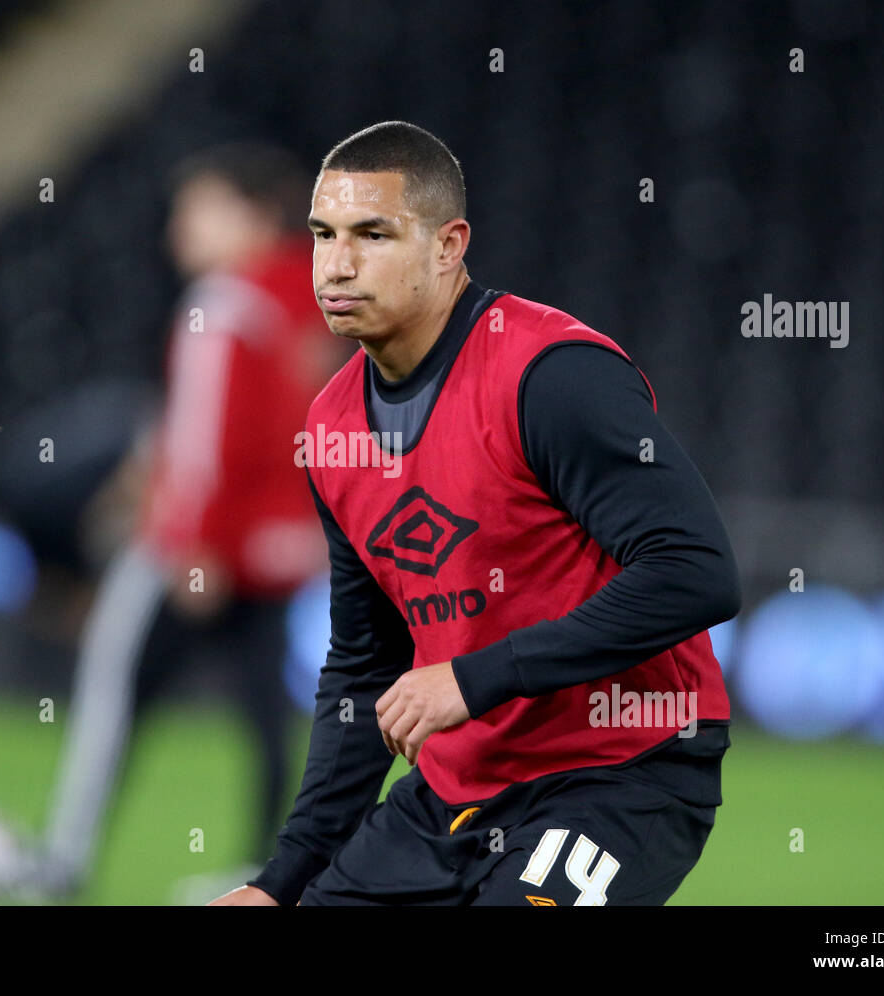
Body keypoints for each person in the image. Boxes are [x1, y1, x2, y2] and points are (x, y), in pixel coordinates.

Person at [209, 121, 741, 906]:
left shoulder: (552, 376)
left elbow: (696, 575)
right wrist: (279, 881)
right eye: (323, 234)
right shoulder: (330, 429)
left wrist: (476, 677)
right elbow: (364, 670)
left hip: (616, 773)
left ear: (449, 245)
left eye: (373, 234)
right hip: (455, 790)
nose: (338, 265)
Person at [0, 143, 341, 899]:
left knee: (114, 692)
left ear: (252, 214)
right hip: (277, 552)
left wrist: (195, 545)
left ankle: (62, 860)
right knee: (268, 716)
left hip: (197, 552)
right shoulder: (313, 302)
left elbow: (204, 441)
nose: (179, 228)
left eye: (200, 208)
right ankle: (269, 874)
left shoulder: (222, 303)